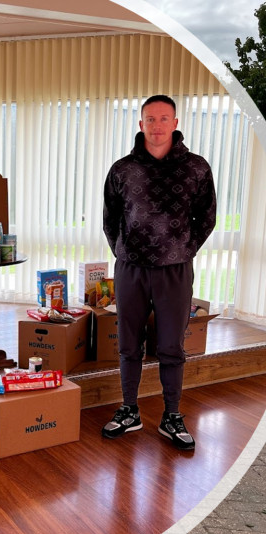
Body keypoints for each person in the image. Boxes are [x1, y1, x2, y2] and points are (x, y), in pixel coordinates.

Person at [100, 94, 217, 451]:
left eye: (164, 119)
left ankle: (171, 415)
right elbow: (110, 219)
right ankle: (129, 409)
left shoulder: (196, 167)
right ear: (141, 125)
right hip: (131, 268)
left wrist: (184, 250)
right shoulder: (122, 169)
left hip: (175, 271)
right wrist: (123, 252)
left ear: (175, 123)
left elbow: (206, 217)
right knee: (128, 344)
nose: (157, 126)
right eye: (150, 119)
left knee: (171, 346)